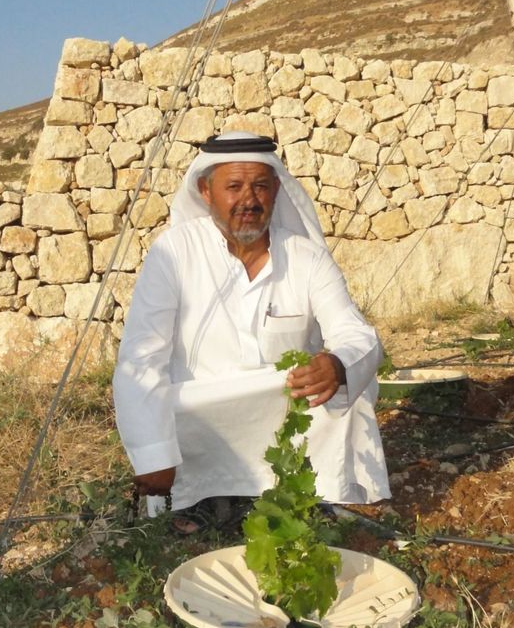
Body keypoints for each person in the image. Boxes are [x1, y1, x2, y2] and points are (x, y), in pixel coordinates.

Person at [113, 132, 390, 531]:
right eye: (234, 187)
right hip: (201, 414)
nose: (249, 200)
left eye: (260, 186)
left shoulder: (305, 256)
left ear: (276, 189)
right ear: (206, 192)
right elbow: (141, 359)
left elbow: (356, 334)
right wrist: (153, 458)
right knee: (166, 408)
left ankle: (310, 494)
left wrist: (337, 362)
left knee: (344, 393)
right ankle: (197, 500)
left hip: (282, 407)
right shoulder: (173, 254)